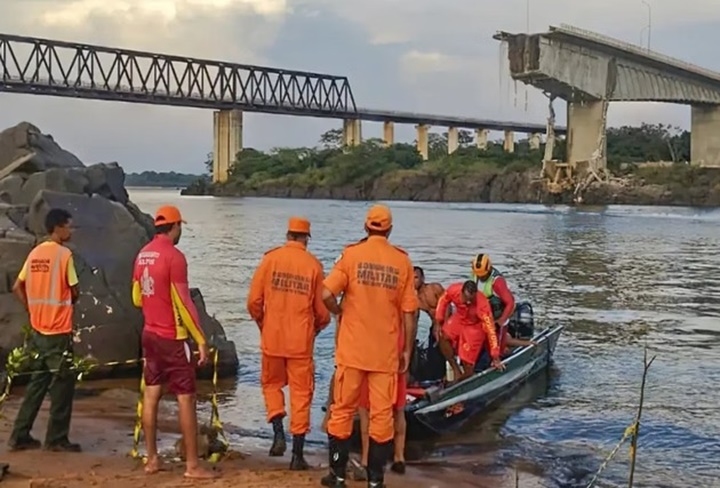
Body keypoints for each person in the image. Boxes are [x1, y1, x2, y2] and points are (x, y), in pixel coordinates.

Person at [321, 204, 418, 488]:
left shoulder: (351, 255)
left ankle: (337, 476)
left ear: (366, 227)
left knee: (341, 411)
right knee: (382, 416)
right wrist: (407, 352)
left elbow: (326, 293)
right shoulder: (402, 262)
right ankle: (376, 480)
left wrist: (338, 310)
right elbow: (409, 314)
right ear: (389, 230)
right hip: (384, 355)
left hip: (352, 352)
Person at [131, 205, 216, 480]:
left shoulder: (143, 254)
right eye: (181, 227)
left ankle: (152, 459)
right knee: (185, 398)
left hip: (149, 335)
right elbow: (184, 301)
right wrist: (201, 340)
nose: (181, 231)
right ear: (175, 226)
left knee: (152, 395)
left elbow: (135, 297)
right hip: (172, 337)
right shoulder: (174, 257)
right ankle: (192, 466)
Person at [247, 217, 331, 470]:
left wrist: (264, 324)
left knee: (271, 385)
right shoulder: (313, 265)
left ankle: (277, 432)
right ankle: (297, 456)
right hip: (300, 343)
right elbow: (322, 312)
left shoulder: (269, 260)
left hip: (272, 339)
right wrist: (317, 328)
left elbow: (253, 302)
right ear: (306, 238)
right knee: (301, 395)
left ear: (288, 235)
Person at [8, 208, 81, 453]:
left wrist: (32, 308)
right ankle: (57, 439)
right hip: (58, 331)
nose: (71, 230)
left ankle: (20, 434)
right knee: (63, 384)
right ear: (58, 227)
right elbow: (74, 291)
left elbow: (17, 286)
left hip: (39, 329)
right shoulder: (64, 255)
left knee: (37, 384)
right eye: (69, 226)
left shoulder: (35, 253)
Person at [435, 280, 504, 383]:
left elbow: (491, 330)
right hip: (460, 318)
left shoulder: (482, 306)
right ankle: (455, 369)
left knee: (468, 362)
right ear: (461, 292)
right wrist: (438, 321)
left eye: (471, 300)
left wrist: (495, 356)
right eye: (466, 299)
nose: (468, 302)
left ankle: (463, 379)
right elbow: (443, 300)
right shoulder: (454, 290)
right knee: (443, 335)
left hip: (474, 326)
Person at [471, 253, 516, 330]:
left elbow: (510, 303)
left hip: (496, 314)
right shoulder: (475, 274)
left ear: (489, 269)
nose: (480, 277)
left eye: (483, 275)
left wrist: (501, 321)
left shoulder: (497, 282)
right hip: (481, 312)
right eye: (478, 275)